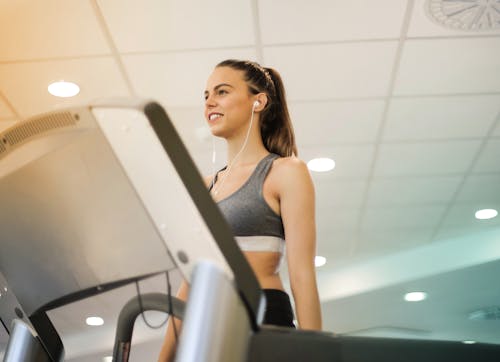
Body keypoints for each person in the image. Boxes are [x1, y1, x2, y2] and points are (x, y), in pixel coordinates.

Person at [158, 59, 322, 361]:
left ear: (258, 101)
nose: (210, 102)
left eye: (221, 91)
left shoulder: (285, 171)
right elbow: (190, 282)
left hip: (262, 315)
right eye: (206, 95)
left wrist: (315, 353)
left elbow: (301, 274)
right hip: (207, 323)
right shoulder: (204, 186)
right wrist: (163, 358)